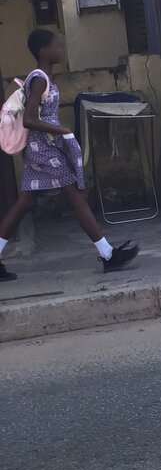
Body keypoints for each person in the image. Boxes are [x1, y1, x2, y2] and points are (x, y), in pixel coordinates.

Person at [0, 30, 139, 283]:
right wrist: (61, 130)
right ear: (43, 50)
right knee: (75, 194)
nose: (60, 50)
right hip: (46, 150)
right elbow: (30, 120)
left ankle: (108, 254)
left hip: (41, 149)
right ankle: (108, 255)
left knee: (25, 202)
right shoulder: (40, 79)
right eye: (56, 46)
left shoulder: (41, 78)